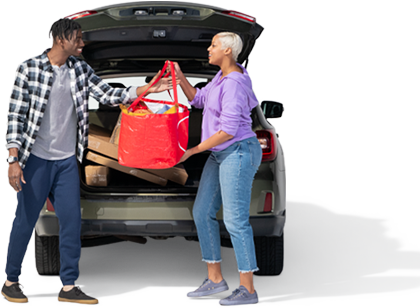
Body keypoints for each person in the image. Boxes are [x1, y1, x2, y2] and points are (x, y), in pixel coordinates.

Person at [3, 18, 175, 305]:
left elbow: (108, 95)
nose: (82, 43)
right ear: (61, 40)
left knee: (72, 222)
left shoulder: (79, 69)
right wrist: (13, 159)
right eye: (77, 38)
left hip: (67, 161)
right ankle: (10, 282)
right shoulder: (29, 68)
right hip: (36, 160)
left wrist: (143, 91)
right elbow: (15, 117)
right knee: (25, 221)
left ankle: (68, 286)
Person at [173, 32, 262, 306]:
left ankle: (248, 289)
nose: (208, 49)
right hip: (220, 154)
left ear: (227, 50)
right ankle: (215, 280)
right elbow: (198, 99)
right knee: (202, 212)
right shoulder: (221, 76)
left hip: (237, 152)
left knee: (235, 221)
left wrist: (194, 150)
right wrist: (179, 77)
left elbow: (228, 130)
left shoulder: (234, 82)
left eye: (213, 45)